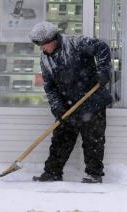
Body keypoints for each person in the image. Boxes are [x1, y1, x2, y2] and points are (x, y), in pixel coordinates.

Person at [29, 21, 113, 183]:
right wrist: (57, 107)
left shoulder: (76, 43)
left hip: (92, 101)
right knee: (60, 140)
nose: (41, 49)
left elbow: (101, 46)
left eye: (43, 45)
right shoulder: (45, 58)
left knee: (93, 140)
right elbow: (49, 85)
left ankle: (94, 174)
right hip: (67, 105)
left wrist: (104, 70)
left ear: (52, 39)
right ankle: (53, 172)